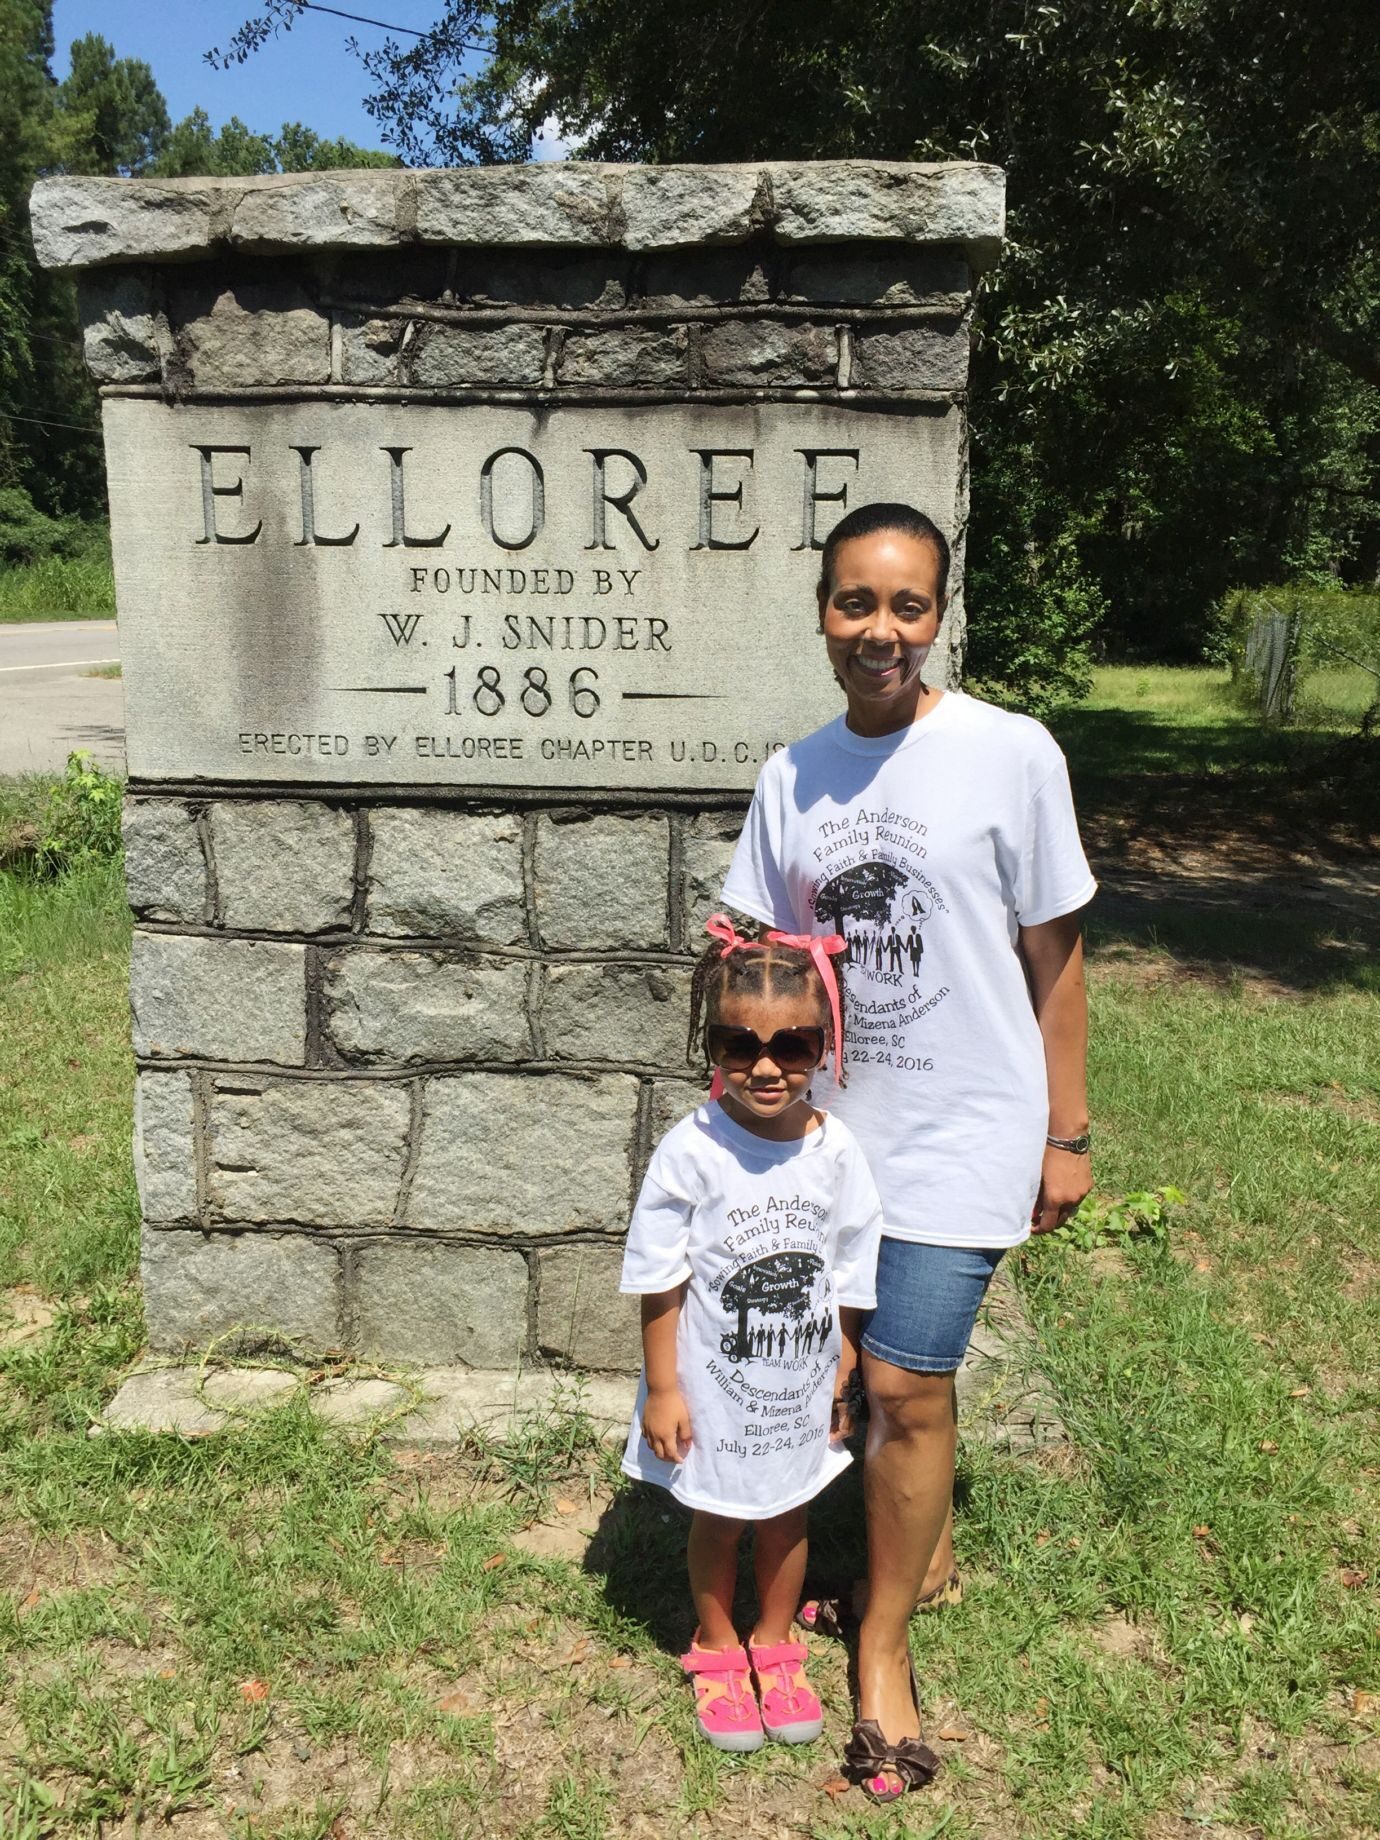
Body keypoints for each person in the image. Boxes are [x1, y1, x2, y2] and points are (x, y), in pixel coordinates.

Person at [722, 501, 1096, 1801]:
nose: (880, 631)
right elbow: (756, 955)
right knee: (850, 1385)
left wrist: (1070, 1131)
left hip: (967, 1133)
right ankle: (915, 1552)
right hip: (832, 1147)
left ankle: (882, 1651)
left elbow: (1056, 956)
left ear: (939, 617)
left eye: (908, 606)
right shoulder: (795, 777)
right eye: (855, 604)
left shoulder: (1010, 754)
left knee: (907, 1383)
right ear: (822, 613)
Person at [619, 920, 884, 1754]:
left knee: (788, 1516)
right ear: (710, 1042)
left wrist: (843, 1375)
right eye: (739, 1042)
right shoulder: (692, 1150)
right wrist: (663, 1387)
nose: (766, 1066)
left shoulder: (837, 1151)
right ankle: (716, 1644)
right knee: (720, 1518)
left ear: (826, 1043)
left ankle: (774, 1639)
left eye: (794, 1044)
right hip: (711, 1390)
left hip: (799, 1393)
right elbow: (660, 1276)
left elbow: (848, 1271)